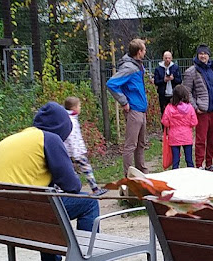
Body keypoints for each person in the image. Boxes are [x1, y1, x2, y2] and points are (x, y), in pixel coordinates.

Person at [0, 102, 123, 261]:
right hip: (23, 212)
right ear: (62, 128)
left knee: (45, 206)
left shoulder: (16, 138)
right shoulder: (49, 139)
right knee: (88, 203)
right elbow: (72, 186)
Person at [107, 38, 149, 176]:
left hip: (141, 110)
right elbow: (112, 84)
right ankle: (128, 177)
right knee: (131, 145)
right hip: (134, 111)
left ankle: (141, 172)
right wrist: (123, 102)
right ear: (139, 52)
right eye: (144, 49)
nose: (145, 52)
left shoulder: (138, 65)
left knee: (141, 144)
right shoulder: (129, 68)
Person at [183, 44, 213, 172]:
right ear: (197, 55)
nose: (203, 56)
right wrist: (196, 107)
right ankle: (199, 165)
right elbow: (186, 92)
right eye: (200, 53)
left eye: (205, 53)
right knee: (201, 139)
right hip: (202, 111)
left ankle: (209, 164)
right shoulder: (191, 71)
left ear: (208, 55)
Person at [63, 96, 108, 196]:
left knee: (68, 171)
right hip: (76, 151)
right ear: (74, 108)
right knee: (87, 169)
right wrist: (77, 151)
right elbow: (72, 137)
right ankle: (95, 189)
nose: (80, 108)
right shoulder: (71, 121)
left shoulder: (66, 118)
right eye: (79, 106)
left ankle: (62, 190)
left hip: (68, 151)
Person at [161, 84, 198, 169]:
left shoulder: (169, 108)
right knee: (189, 159)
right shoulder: (190, 107)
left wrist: (172, 124)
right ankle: (192, 173)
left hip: (174, 136)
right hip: (186, 136)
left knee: (175, 159)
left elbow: (165, 121)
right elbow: (194, 122)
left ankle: (175, 174)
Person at [153, 51, 182, 117]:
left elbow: (179, 80)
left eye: (169, 58)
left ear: (171, 58)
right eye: (166, 58)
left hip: (174, 95)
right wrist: (164, 80)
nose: (167, 60)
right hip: (163, 95)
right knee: (164, 113)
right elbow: (156, 82)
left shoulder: (175, 67)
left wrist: (173, 79)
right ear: (163, 58)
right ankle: (164, 127)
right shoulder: (158, 69)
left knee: (175, 113)